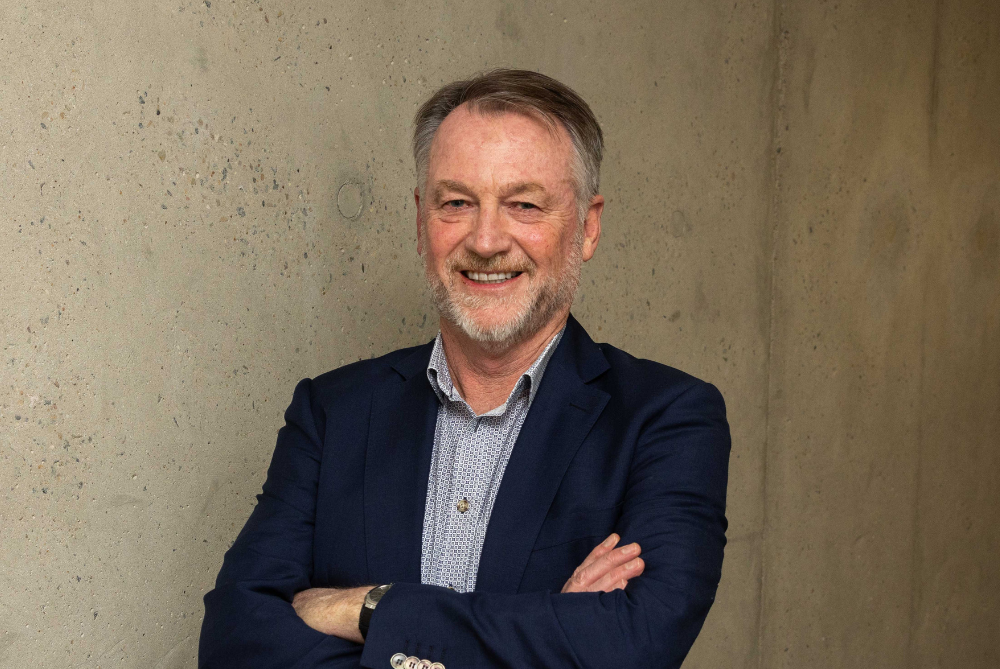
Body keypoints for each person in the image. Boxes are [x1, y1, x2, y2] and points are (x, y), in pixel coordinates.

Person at [199, 69, 731, 669]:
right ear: (419, 221)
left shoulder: (668, 420)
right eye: (456, 203)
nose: (485, 240)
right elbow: (233, 642)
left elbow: (635, 645)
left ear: (587, 227)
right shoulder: (331, 413)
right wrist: (548, 628)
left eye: (523, 204)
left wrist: (371, 610)